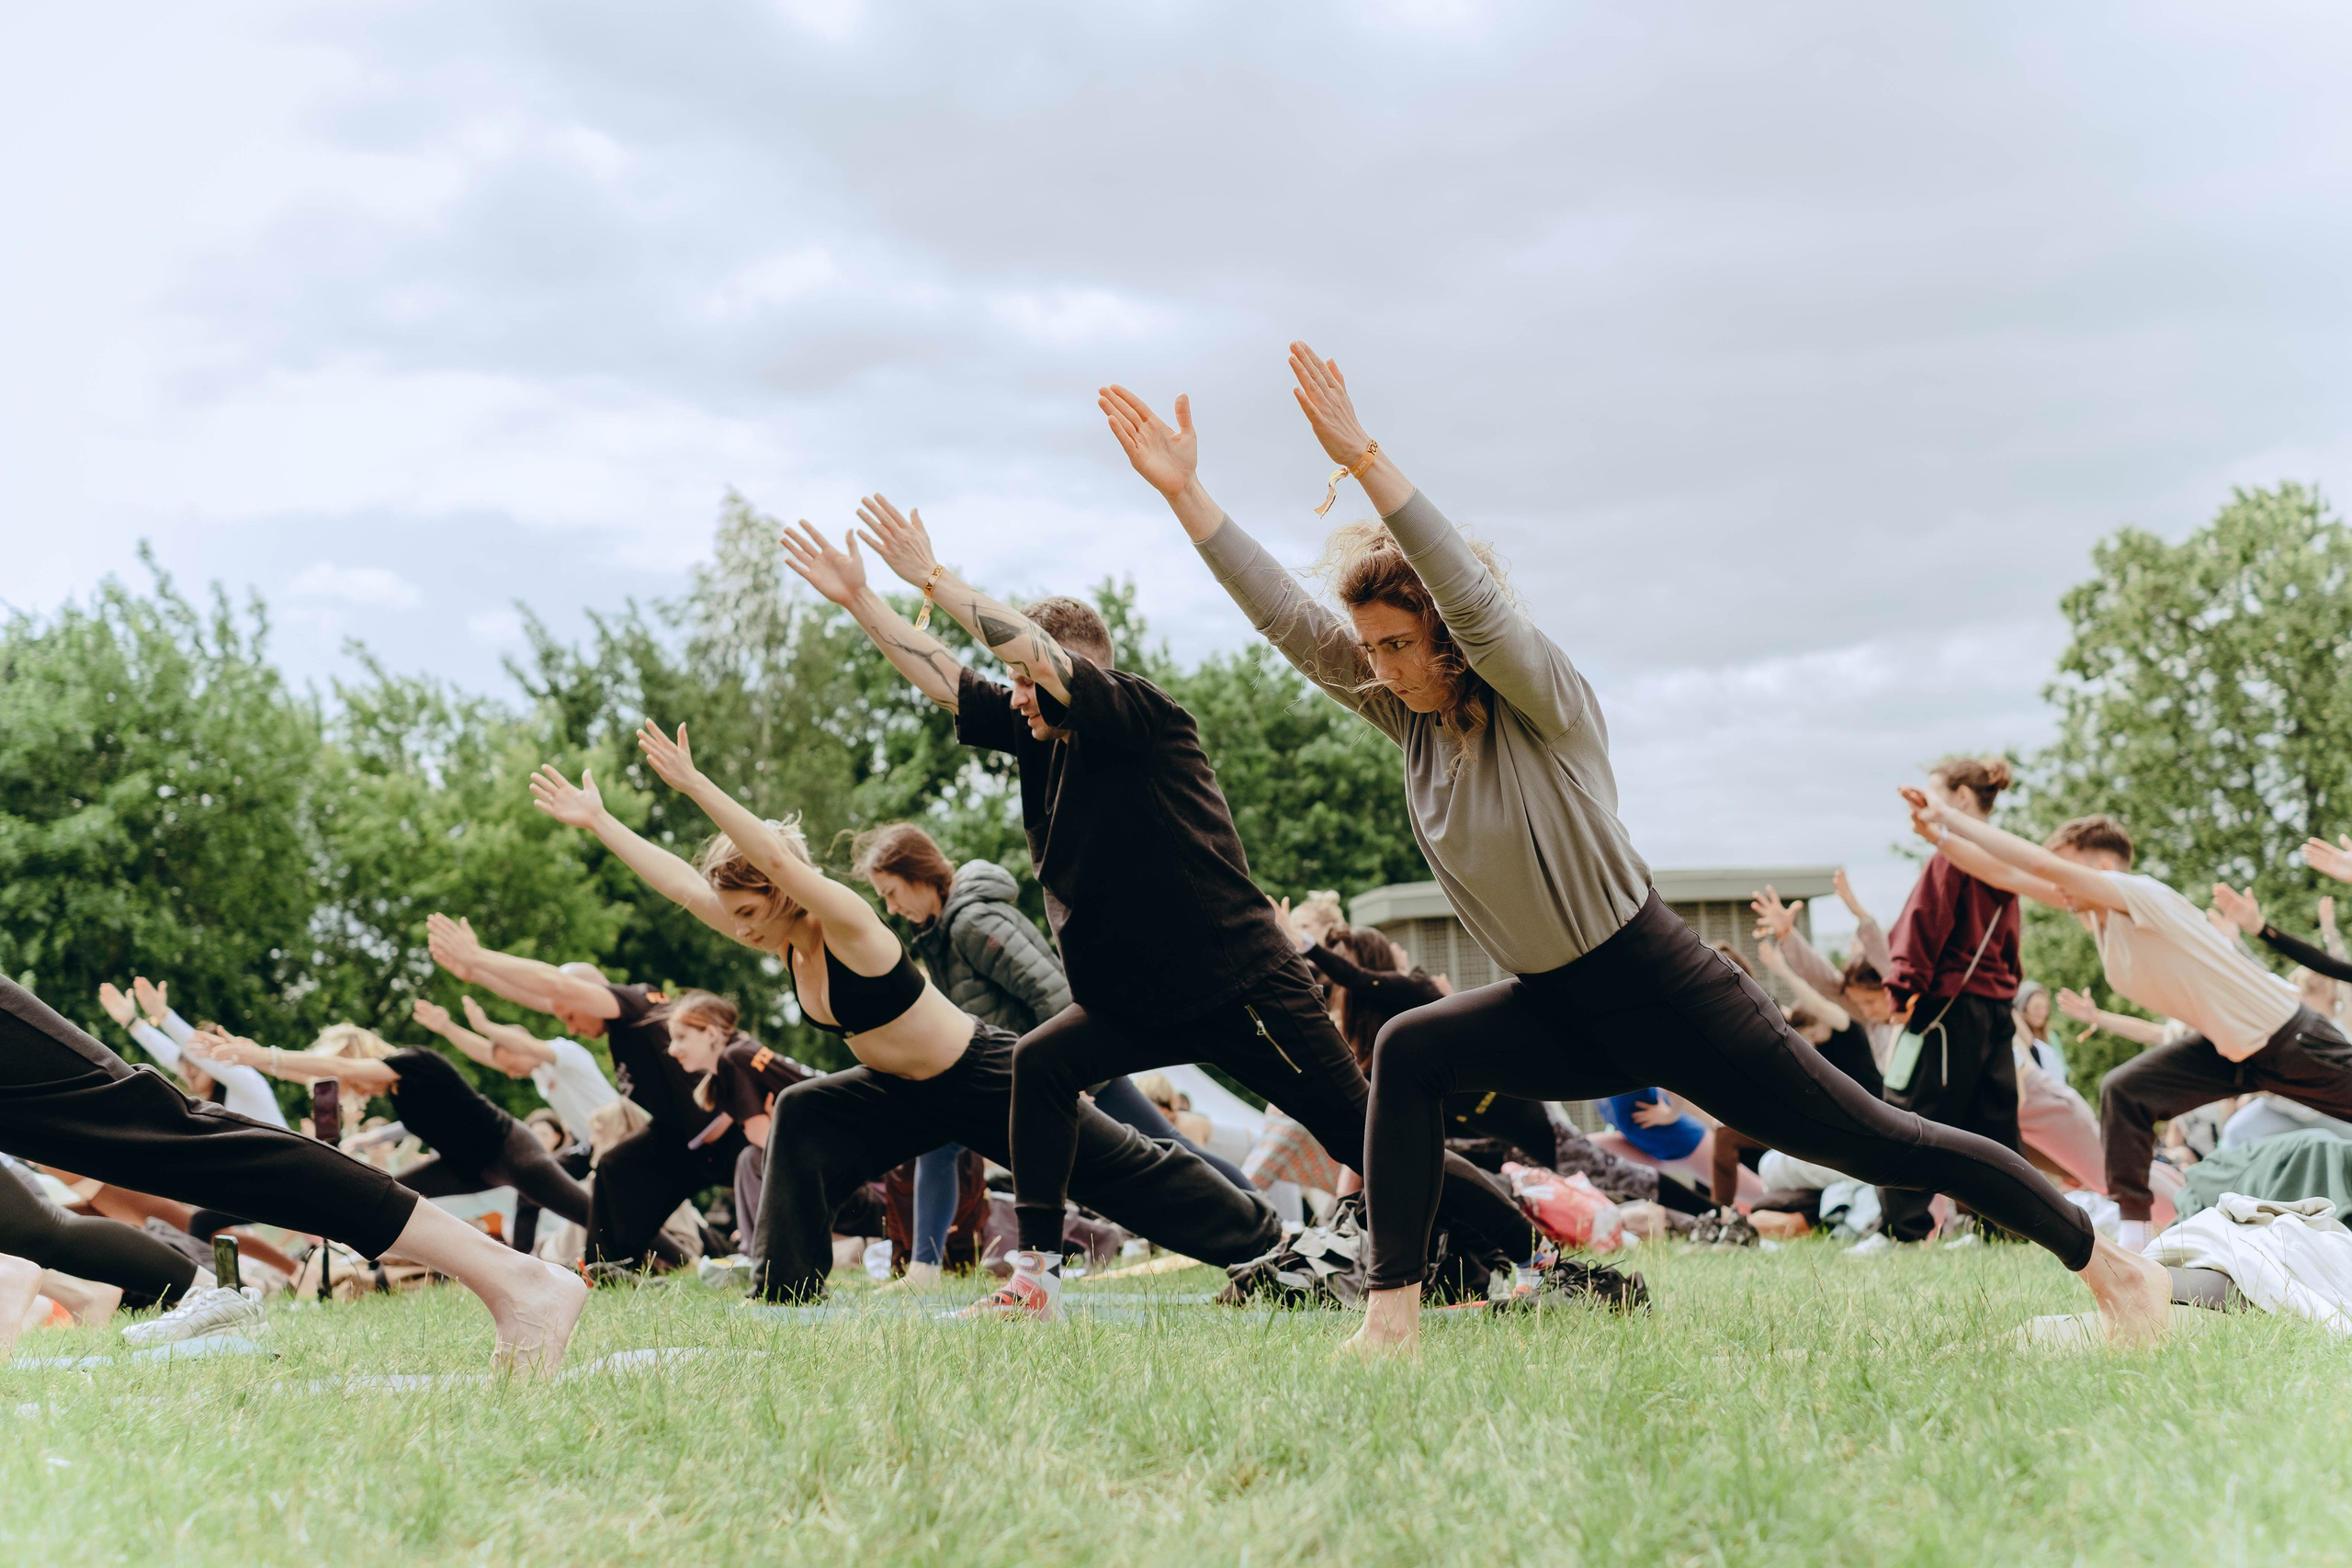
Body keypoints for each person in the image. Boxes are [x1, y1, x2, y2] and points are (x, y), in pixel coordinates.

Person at [1100, 340, 2166, 1353]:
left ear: (1447, 641)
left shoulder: (1544, 699)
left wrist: (1366, 463)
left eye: (1395, 644)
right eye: (1369, 647)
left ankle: (2115, 1272)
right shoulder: (1409, 724)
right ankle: (1390, 1323)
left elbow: (1470, 598)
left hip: (1662, 987)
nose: (1375, 666)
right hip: (1560, 1005)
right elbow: (1292, 624)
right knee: (1408, 1052)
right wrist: (1186, 496)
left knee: (1881, 1142)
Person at [780, 493, 1535, 1319]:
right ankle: (1036, 1278)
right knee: (1040, 1064)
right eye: (1016, 685)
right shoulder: (1038, 731)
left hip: (1240, 987)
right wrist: (860, 598)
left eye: (1030, 681)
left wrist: (932, 576)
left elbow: (1037, 658)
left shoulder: (1138, 715)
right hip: (1134, 1000)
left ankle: (1531, 1248)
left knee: (1364, 1131)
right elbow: (945, 679)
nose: (1018, 697)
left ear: (1078, 677)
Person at [526, 726, 1283, 1311]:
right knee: (805, 1112)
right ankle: (784, 1289)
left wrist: (697, 786)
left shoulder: (849, 923)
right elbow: (684, 889)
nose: (742, 927)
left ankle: (1273, 1250)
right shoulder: (783, 935)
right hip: (900, 1090)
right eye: (736, 916)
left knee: (1123, 1172)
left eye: (751, 911)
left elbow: (785, 862)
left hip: (986, 1075)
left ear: (783, 892)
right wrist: (600, 823)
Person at [0, 974, 586, 1370]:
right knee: (24, 1226)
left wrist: (262, 1057)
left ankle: (519, 1281)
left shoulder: (411, 1066)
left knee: (168, 1137)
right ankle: (209, 1293)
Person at [1898, 796, 2352, 1254]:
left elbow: (2033, 863)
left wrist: (1950, 816)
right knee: (2126, 1091)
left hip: (2290, 1036)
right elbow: (2009, 875)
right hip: (2230, 1050)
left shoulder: (2138, 892)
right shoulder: (2102, 917)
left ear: (2101, 865)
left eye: (2065, 870)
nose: (2056, 883)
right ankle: (2137, 1242)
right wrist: (1940, 839)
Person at [424, 915, 734, 1275]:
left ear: (588, 995)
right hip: (674, 1130)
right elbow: (548, 998)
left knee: (654, 1183)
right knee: (615, 1168)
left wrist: (479, 957)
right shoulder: (617, 1028)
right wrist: (476, 975)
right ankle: (610, 1267)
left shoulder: (632, 1002)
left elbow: (556, 987)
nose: (569, 1026)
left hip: (709, 1124)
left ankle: (701, 1255)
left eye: (572, 1016)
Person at [206, 1022, 594, 1241]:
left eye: (350, 1074)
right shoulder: (399, 1094)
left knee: (589, 1214)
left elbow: (349, 1072)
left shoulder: (413, 1062)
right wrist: (257, 1061)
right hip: (466, 1166)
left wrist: (263, 1054)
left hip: (509, 1151)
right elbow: (330, 1074)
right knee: (384, 1191)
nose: (354, 1091)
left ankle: (656, 1254)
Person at [1861, 755, 2029, 1253]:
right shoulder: (2005, 857)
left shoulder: (1953, 853)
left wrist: (1901, 988)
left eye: (1932, 793)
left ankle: (1901, 1230)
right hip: (1995, 1005)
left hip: (1947, 1006)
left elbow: (1923, 922)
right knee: (1993, 1120)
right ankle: (2002, 1228)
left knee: (1908, 1115)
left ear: (1958, 798)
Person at [95, 979, 288, 1130]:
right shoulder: (212, 1099)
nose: (188, 1069)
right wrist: (132, 1022)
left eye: (196, 1062)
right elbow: (172, 1055)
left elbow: (198, 1055)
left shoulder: (249, 1084)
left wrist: (163, 1015)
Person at [2013, 982, 2069, 1084]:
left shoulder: (2051, 1037)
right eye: (2037, 1007)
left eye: (2045, 1007)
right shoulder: (2014, 1040)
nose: (2042, 1013)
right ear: (2023, 1009)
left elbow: (2063, 1073)